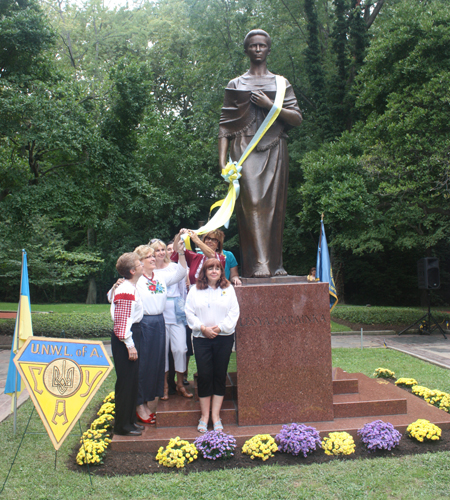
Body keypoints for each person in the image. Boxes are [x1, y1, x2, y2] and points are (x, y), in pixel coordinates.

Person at [218, 29, 302, 278]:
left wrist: (270, 105)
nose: (257, 49)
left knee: (275, 207)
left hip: (275, 147)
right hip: (244, 149)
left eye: (262, 45)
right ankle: (259, 263)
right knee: (252, 204)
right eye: (252, 46)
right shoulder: (236, 84)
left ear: (268, 49)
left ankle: (275, 264)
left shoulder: (281, 83)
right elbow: (224, 125)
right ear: (246, 50)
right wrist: (222, 162)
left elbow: (296, 118)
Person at [134, 243, 187, 424]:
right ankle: (139, 405)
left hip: (159, 321)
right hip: (144, 324)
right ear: (140, 261)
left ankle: (147, 403)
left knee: (155, 365)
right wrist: (118, 284)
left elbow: (181, 273)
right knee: (144, 366)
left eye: (153, 255)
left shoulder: (160, 277)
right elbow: (112, 295)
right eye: (149, 256)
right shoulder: (136, 279)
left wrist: (180, 253)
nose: (153, 258)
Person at [185, 258, 240, 433]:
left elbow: (234, 312)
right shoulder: (194, 290)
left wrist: (220, 327)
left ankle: (215, 416)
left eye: (217, 268)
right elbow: (189, 312)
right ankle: (204, 416)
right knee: (205, 375)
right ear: (205, 272)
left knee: (219, 375)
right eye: (211, 269)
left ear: (221, 271)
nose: (214, 271)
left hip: (223, 337)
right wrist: (202, 328)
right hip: (202, 338)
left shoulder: (228, 289)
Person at [150, 239, 192, 400]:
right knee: (163, 352)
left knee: (180, 348)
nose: (161, 252)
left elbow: (183, 276)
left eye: (163, 249)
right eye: (157, 250)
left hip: (175, 312)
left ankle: (180, 383)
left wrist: (181, 252)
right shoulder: (150, 272)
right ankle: (165, 385)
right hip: (159, 314)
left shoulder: (174, 267)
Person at [110, 252, 144, 436]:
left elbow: (110, 297)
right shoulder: (125, 290)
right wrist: (130, 345)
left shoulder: (127, 286)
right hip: (125, 338)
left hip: (131, 335)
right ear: (132, 270)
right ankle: (122, 426)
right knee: (125, 383)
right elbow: (122, 323)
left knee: (132, 381)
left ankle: (130, 421)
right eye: (139, 263)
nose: (142, 265)